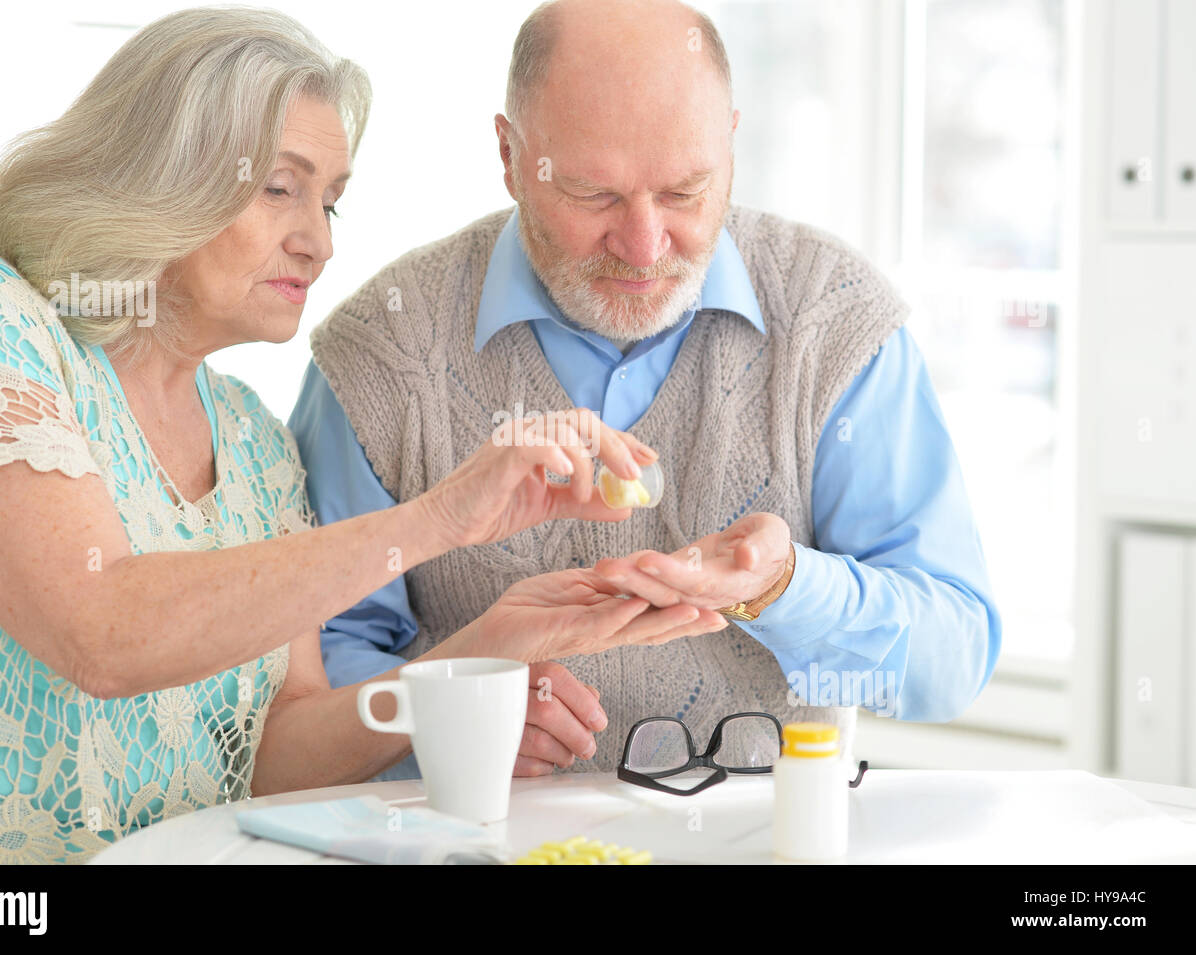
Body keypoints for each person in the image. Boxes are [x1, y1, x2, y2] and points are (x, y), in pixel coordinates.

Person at [0, 6, 728, 864]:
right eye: (280, 188)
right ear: (159, 169)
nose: (319, 241)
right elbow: (100, 632)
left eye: (331, 201)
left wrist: (489, 645)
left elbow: (278, 762)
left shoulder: (255, 442)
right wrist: (439, 519)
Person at [290, 0, 1003, 778]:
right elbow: (318, 665)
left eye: (685, 192)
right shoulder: (379, 353)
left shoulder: (836, 327)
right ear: (509, 154)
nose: (643, 246)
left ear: (730, 146)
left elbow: (951, 657)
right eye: (594, 194)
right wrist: (443, 719)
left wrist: (787, 587)